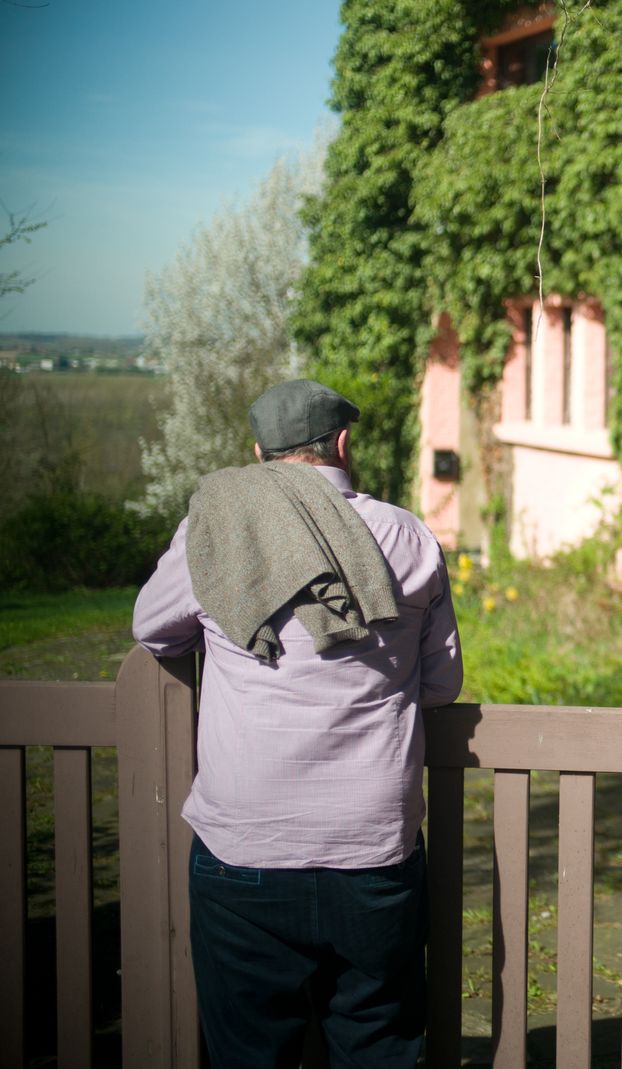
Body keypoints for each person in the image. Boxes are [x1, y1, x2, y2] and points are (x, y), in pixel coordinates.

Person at [132, 379, 462, 1068]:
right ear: (343, 443)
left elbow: (152, 628)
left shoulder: (216, 531)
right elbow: (441, 684)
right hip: (373, 847)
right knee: (379, 1046)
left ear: (259, 452)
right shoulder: (407, 534)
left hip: (244, 849)